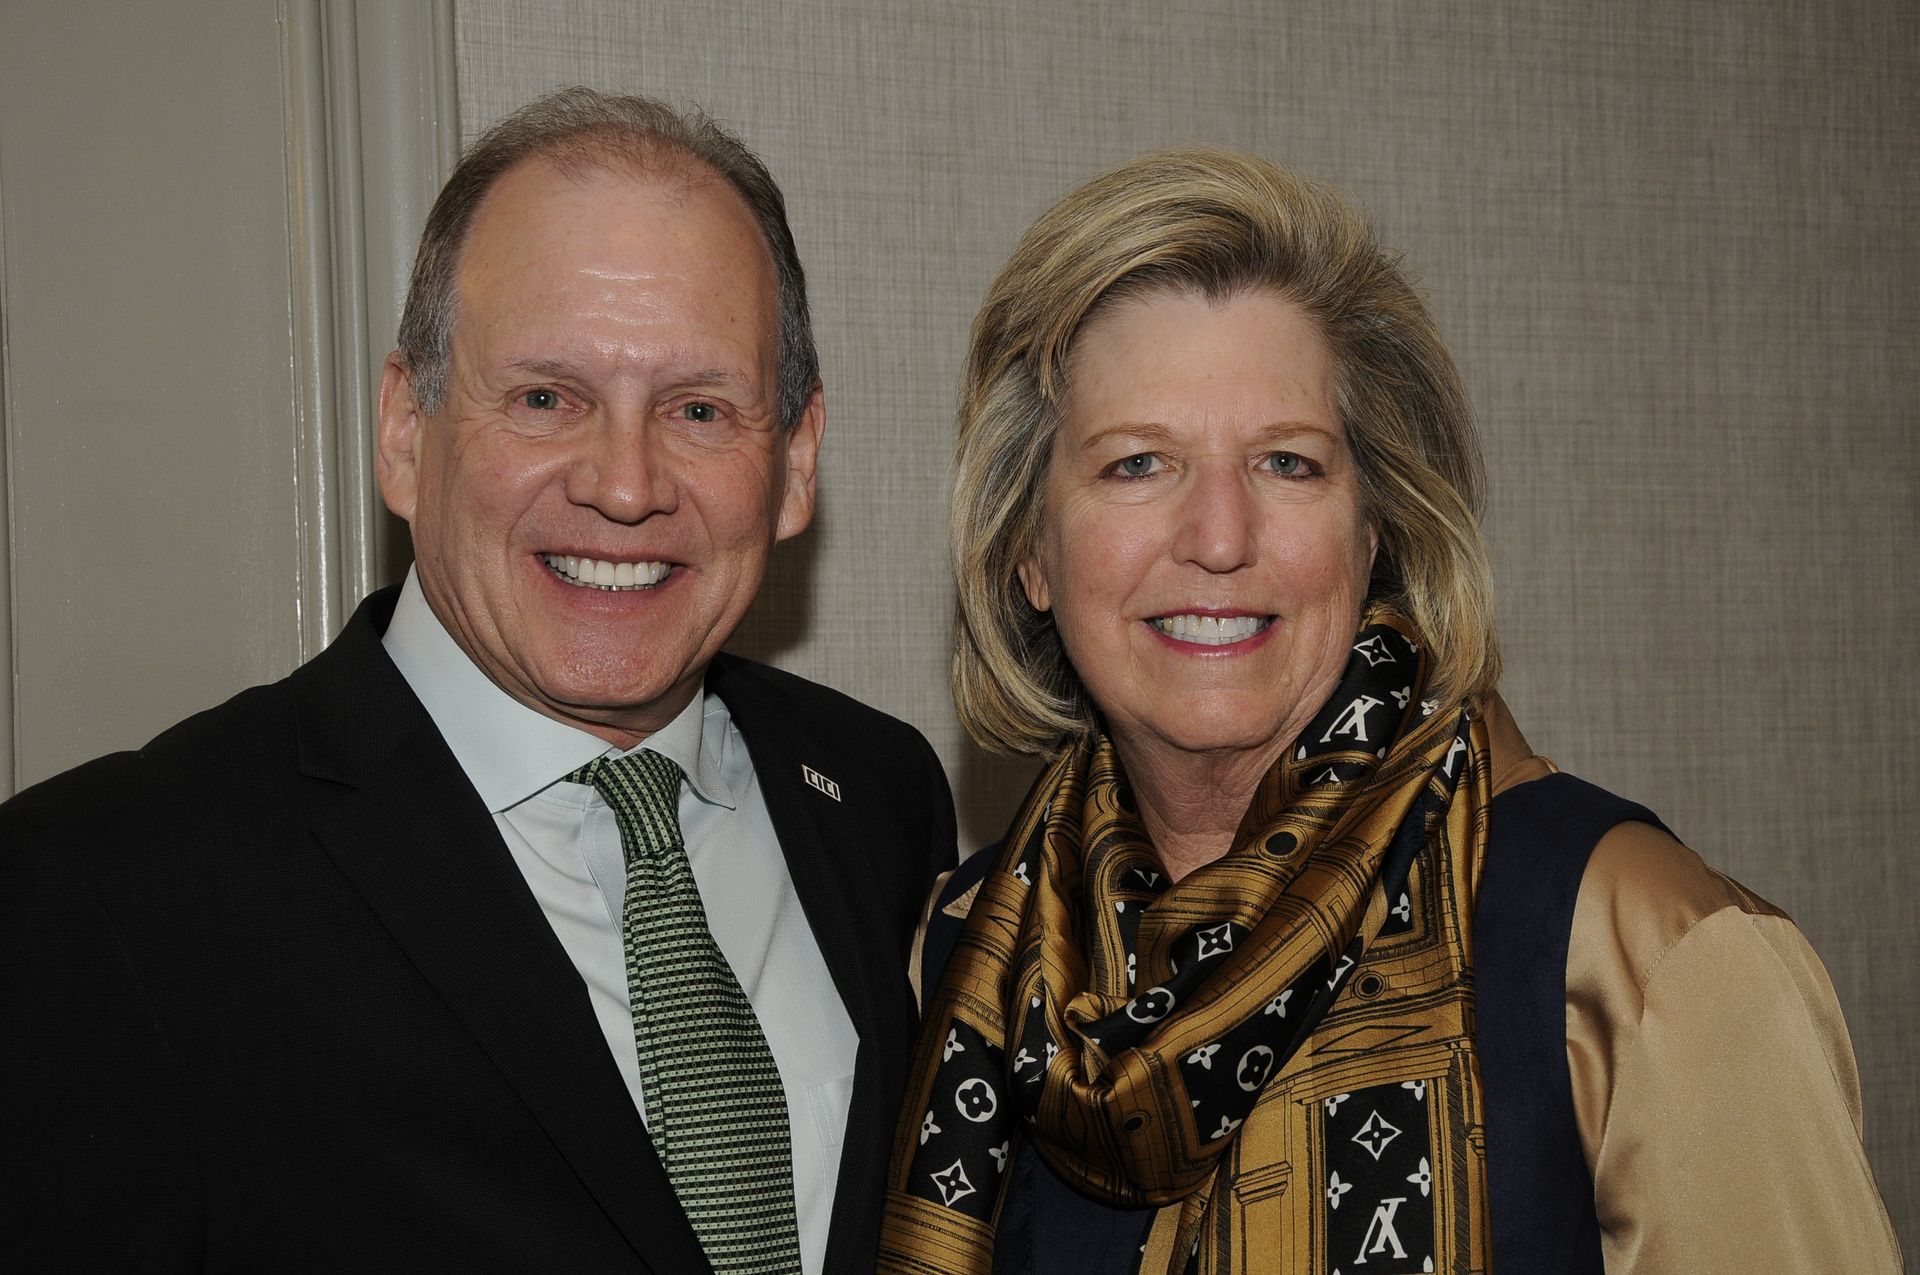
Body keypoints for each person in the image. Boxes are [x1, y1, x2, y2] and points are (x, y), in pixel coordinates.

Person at [880, 148, 1900, 1273]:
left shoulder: (1640, 949)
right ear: (1029, 550)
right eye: (1136, 466)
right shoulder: (967, 956)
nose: (1218, 536)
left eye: (1287, 462)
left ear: (1376, 532)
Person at [1, 88, 954, 1272]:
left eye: (700, 408)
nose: (624, 483)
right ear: (407, 428)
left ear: (796, 462)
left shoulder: (876, 800)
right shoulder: (108, 895)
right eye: (546, 397)